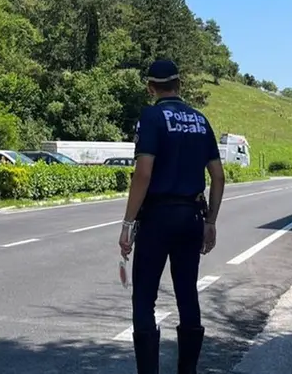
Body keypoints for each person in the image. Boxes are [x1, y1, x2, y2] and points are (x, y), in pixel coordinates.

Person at [118, 59, 226, 374]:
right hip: (192, 216)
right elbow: (218, 177)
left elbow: (143, 173)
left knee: (144, 298)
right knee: (186, 294)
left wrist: (127, 224)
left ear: (151, 88)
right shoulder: (200, 121)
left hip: (157, 218)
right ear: (179, 85)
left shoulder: (151, 117)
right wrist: (210, 222)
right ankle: (187, 371)